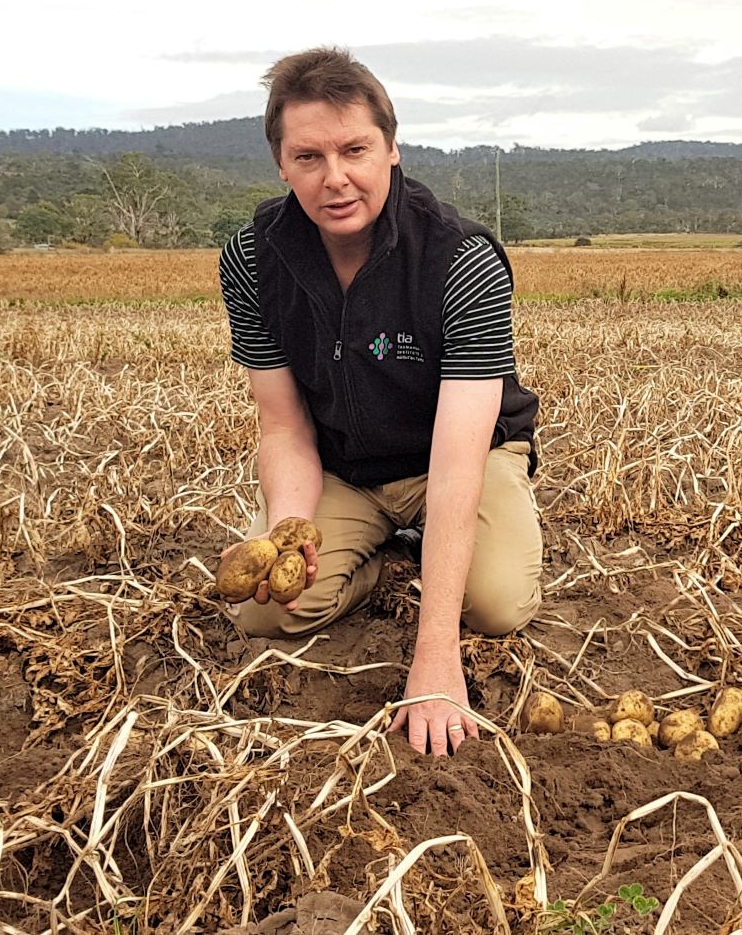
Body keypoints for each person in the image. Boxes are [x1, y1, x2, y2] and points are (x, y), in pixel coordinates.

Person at [217, 47, 543, 757]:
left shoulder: (461, 258)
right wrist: (287, 536)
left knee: (494, 606)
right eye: (308, 156)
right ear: (280, 163)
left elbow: (456, 459)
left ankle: (440, 552)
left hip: (455, 460)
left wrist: (434, 659)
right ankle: (387, 555)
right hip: (345, 464)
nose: (334, 177)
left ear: (391, 149)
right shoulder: (251, 259)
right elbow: (282, 424)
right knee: (263, 611)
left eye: (354, 149)